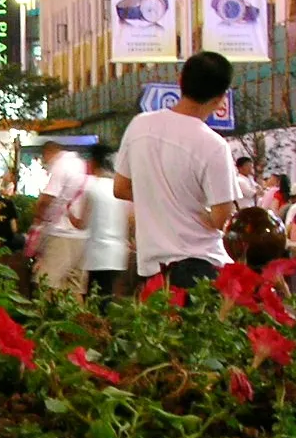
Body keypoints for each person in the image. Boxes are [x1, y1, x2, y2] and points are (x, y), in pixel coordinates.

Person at [114, 51, 239, 288]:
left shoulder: (139, 126)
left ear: (180, 81)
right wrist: (190, 210)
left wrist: (159, 200)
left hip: (153, 269)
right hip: (201, 267)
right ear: (220, 98)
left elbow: (120, 188)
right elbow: (221, 218)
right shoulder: (214, 146)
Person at [72, 145, 131, 303]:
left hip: (97, 253)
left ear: (92, 162)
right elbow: (130, 219)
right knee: (109, 294)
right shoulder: (118, 188)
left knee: (95, 298)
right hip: (118, 253)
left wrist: (68, 213)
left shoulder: (92, 187)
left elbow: (82, 223)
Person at [33, 141, 90, 292]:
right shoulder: (81, 163)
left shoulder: (60, 165)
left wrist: (37, 220)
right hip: (81, 234)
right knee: (74, 288)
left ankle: (47, 308)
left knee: (47, 283)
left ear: (47, 153)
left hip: (61, 233)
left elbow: (47, 199)